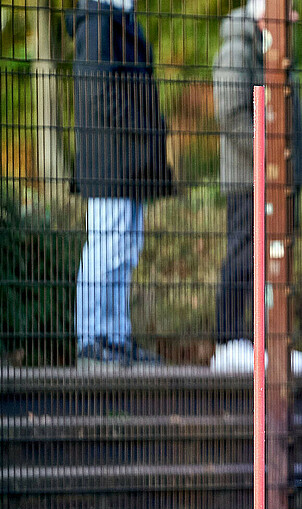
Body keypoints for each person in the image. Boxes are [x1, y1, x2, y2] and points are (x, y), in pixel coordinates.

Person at [211, 0, 302, 373]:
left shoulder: (270, 44)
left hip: (278, 179)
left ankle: (269, 343)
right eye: (288, 9)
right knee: (243, 256)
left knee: (275, 260)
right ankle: (229, 342)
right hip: (249, 178)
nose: (295, 17)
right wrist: (268, 159)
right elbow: (230, 111)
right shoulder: (238, 46)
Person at [69, 0, 174, 368]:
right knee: (106, 247)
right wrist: (142, 127)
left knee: (125, 250)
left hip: (128, 161)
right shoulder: (98, 21)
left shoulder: (119, 21)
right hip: (110, 160)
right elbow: (98, 87)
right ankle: (91, 340)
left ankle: (114, 337)